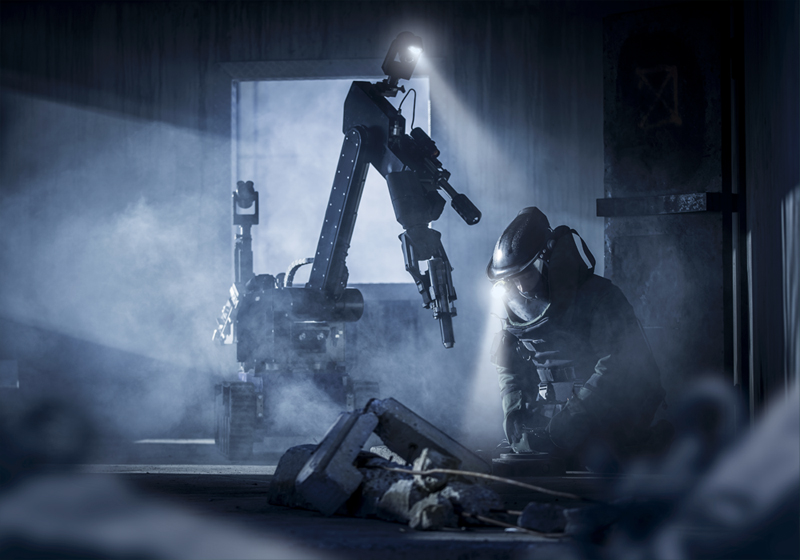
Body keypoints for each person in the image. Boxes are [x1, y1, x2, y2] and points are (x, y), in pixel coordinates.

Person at [487, 207, 667, 467]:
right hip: (560, 425)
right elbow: (508, 364)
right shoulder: (513, 303)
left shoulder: (599, 298)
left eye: (525, 275)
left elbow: (617, 364)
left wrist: (575, 413)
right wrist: (514, 409)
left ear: (546, 260)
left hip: (615, 417)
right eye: (511, 280)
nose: (519, 288)